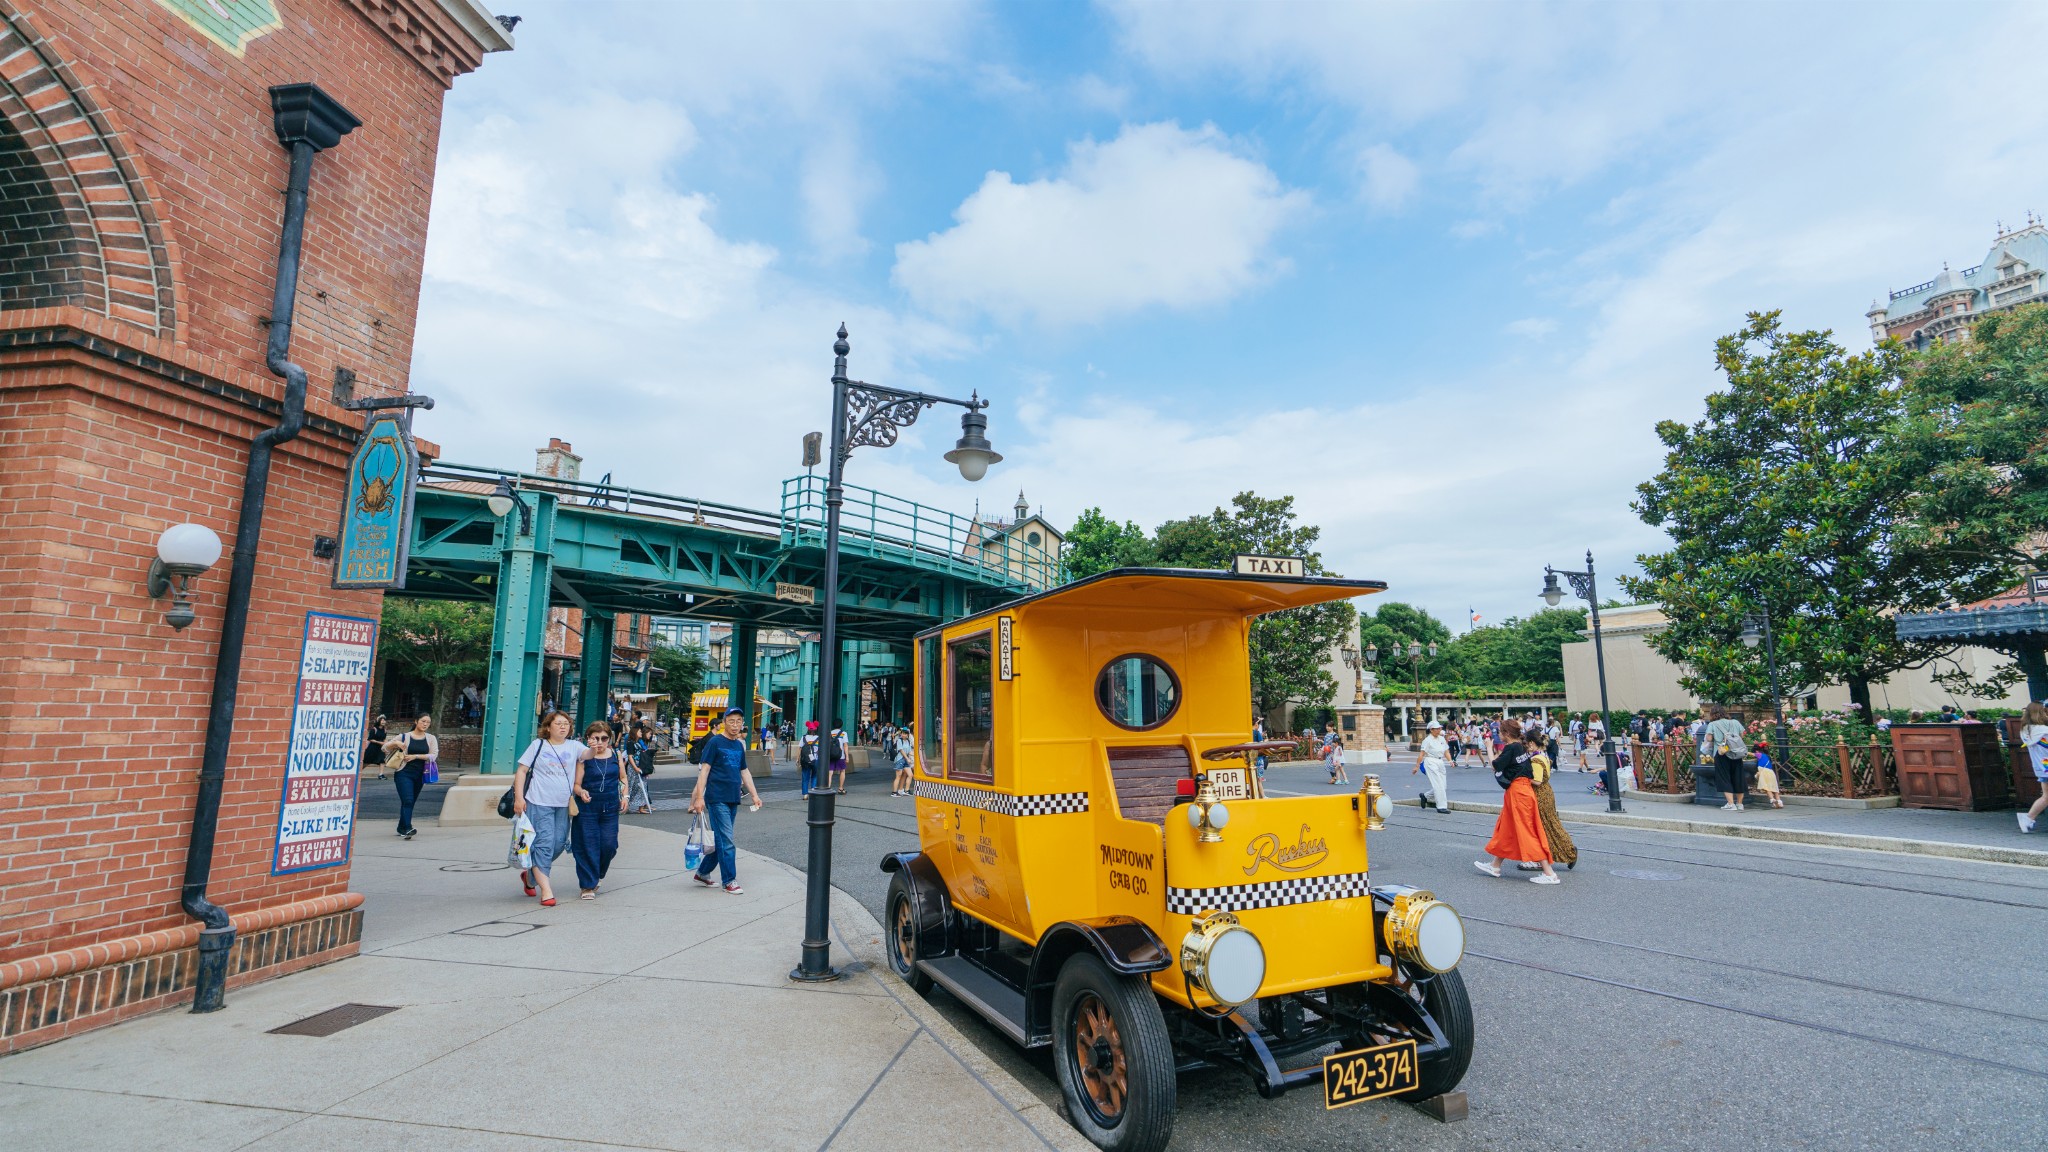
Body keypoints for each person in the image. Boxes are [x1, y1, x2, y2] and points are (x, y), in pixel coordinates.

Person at [514, 711, 586, 906]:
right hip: (538, 802)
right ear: (548, 727)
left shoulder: (574, 746)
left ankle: (530, 877)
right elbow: (521, 771)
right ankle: (546, 891)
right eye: (558, 723)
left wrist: (596, 747)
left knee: (559, 843)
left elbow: (587, 754)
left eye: (566, 724)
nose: (563, 727)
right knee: (544, 844)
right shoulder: (538, 745)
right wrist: (519, 798)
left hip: (563, 805)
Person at [689, 708, 763, 894]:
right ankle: (729, 880)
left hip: (733, 797)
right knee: (727, 840)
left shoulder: (739, 745)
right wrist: (699, 798)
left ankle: (703, 872)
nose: (735, 725)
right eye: (731, 721)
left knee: (721, 839)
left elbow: (744, 772)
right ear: (724, 722)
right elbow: (704, 771)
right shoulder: (714, 742)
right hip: (716, 798)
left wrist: (754, 795)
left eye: (739, 721)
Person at [1475, 721, 1559, 884]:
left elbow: (1495, 766)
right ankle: (1495, 865)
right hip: (1523, 790)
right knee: (1508, 828)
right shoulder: (1521, 746)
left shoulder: (1512, 747)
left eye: (1500, 732)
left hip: (1518, 792)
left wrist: (1488, 747)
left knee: (1526, 831)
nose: (1498, 735)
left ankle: (1550, 873)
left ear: (1506, 733)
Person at [570, 722, 627, 899]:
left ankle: (598, 874)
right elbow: (576, 785)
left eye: (604, 738)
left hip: (610, 807)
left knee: (609, 845)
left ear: (609, 739)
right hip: (588, 808)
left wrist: (625, 796)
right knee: (587, 845)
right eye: (595, 738)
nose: (600, 742)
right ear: (588, 739)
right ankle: (587, 885)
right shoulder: (584, 758)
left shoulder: (616, 755)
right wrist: (581, 792)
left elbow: (623, 777)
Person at [1526, 737, 1578, 871]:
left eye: (1527, 743)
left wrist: (1522, 777)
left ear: (1532, 743)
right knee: (1551, 824)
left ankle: (1568, 851)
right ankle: (1567, 851)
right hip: (1547, 792)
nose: (1526, 746)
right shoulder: (1543, 755)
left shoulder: (1536, 759)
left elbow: (1537, 781)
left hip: (1540, 794)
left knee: (1545, 827)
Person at [390, 713, 436, 840]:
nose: (425, 724)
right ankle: (408, 828)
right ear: (416, 721)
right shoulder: (404, 736)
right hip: (403, 773)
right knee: (408, 800)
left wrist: (415, 756)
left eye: (428, 722)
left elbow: (433, 755)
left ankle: (401, 827)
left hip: (420, 774)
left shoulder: (431, 738)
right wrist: (396, 743)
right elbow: (384, 747)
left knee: (410, 801)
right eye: (423, 721)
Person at [1704, 704, 1751, 811]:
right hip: (1736, 752)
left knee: (1724, 777)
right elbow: (1742, 735)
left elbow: (1709, 738)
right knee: (1738, 777)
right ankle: (1740, 804)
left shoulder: (1713, 724)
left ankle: (1730, 803)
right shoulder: (1735, 722)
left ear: (1713, 714)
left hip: (1722, 753)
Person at [2017, 702, 2048, 834]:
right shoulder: (2044, 731)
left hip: (2041, 767)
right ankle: (2028, 818)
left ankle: (2028, 818)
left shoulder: (2025, 731)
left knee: (2046, 796)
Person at [1417, 721, 1450, 812]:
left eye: (1440, 728)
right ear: (1431, 730)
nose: (1439, 730)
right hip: (1430, 761)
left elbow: (1446, 751)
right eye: (1437, 728)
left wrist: (1450, 760)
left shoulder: (1441, 739)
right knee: (1438, 785)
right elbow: (1422, 753)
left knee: (1443, 786)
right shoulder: (1427, 740)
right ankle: (1441, 806)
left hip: (1440, 761)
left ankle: (1425, 796)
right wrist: (1417, 766)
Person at [625, 723, 654, 814]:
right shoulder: (630, 743)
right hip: (633, 766)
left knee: (643, 786)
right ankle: (626, 805)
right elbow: (630, 756)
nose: (641, 732)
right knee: (631, 785)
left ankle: (641, 807)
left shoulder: (639, 742)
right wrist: (635, 767)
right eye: (640, 731)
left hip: (640, 765)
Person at [1752, 739, 1785, 809]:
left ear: (1757, 751)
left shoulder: (1759, 754)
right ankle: (1779, 801)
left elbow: (1750, 754)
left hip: (1764, 773)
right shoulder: (1767, 756)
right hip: (1771, 773)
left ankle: (1772, 800)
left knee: (1767, 788)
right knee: (1774, 788)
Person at [798, 720, 822, 796]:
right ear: (816, 729)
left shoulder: (804, 737)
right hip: (815, 759)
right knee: (815, 775)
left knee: (805, 777)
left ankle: (805, 794)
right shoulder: (818, 738)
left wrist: (798, 759)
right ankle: (813, 791)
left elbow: (800, 749)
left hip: (805, 760)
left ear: (808, 729)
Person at [890, 726, 914, 796]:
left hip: (906, 760)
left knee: (910, 775)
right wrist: (907, 758)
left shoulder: (908, 741)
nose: (903, 735)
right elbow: (901, 750)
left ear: (908, 735)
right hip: (900, 759)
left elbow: (909, 751)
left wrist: (916, 756)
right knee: (898, 776)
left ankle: (905, 790)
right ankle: (894, 792)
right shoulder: (899, 741)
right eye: (902, 733)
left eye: (905, 734)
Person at [364, 714, 389, 781]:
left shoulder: (385, 730)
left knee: (382, 760)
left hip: (380, 748)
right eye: (382, 720)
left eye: (384, 720)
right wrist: (379, 742)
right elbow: (370, 739)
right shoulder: (374, 729)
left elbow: (384, 738)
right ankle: (358, 773)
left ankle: (381, 774)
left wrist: (386, 744)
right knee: (367, 761)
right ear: (379, 721)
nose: (384, 721)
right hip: (373, 747)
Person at [827, 726, 850, 793]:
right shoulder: (843, 733)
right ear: (841, 725)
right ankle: (840, 788)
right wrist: (847, 756)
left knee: (830, 772)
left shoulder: (830, 733)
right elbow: (845, 745)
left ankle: (828, 788)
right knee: (842, 771)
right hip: (840, 755)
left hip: (831, 755)